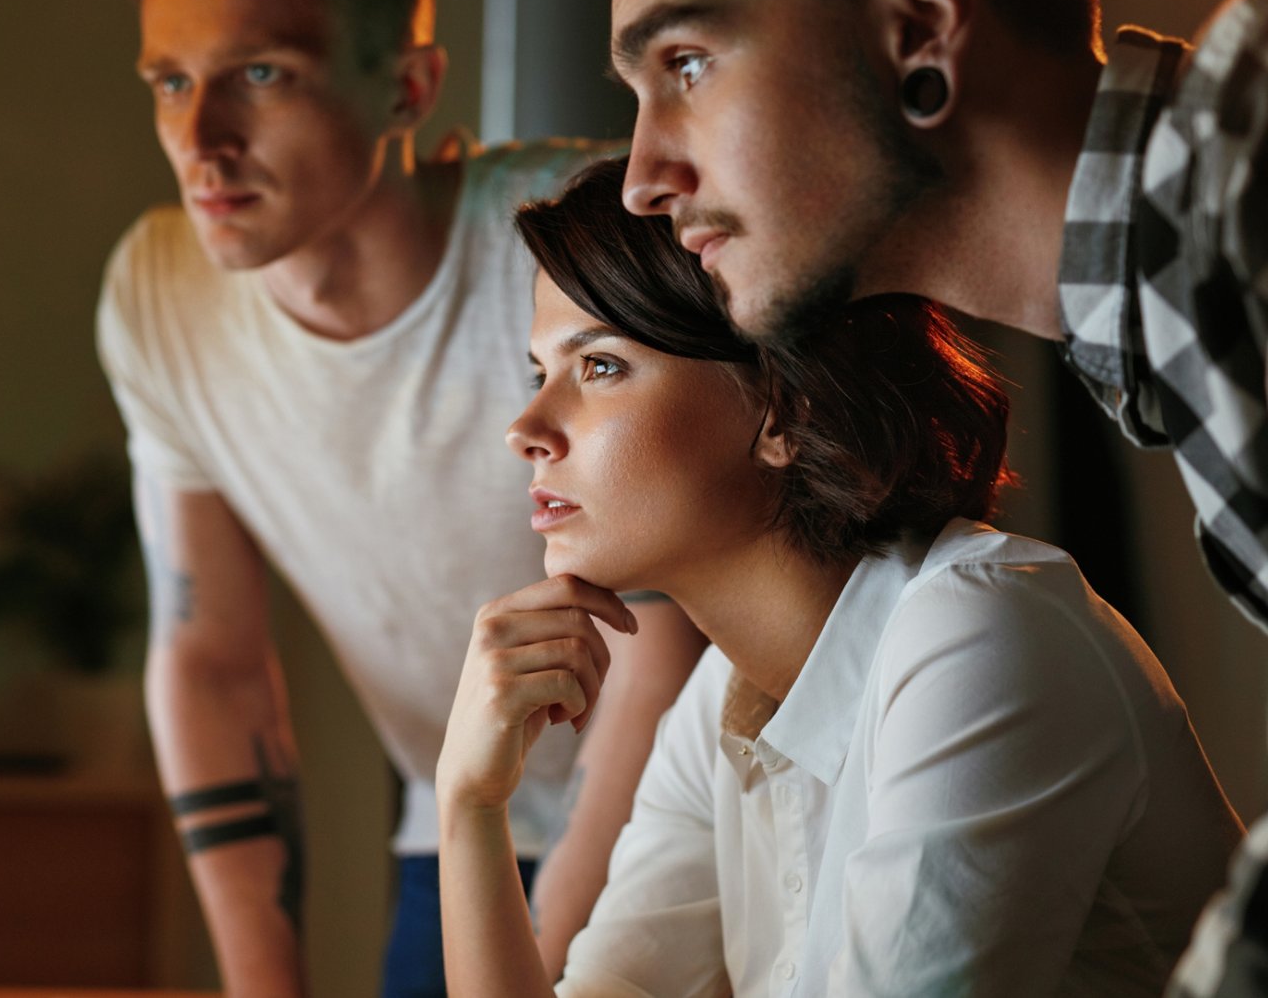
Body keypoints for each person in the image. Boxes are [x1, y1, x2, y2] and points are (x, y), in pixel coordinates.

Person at [595, 0, 1268, 989]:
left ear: (919, 29)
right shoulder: (1180, 320)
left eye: (686, 65)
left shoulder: (1243, 156)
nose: (641, 179)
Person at [93, 0, 707, 994]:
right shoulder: (157, 296)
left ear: (407, 87)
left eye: (260, 74)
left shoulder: (569, 243)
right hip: (456, 815)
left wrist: (546, 949)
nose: (200, 137)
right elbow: (209, 660)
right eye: (170, 81)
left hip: (684, 806)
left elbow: (664, 623)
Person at [435, 157, 1244, 996]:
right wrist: (469, 806)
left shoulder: (986, 637)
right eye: (541, 374)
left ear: (784, 407)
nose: (525, 428)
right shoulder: (722, 701)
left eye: (599, 365)